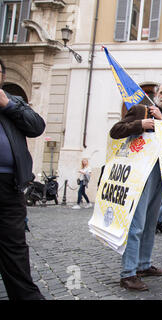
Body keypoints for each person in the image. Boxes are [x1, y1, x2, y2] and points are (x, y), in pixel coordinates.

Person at [109, 83, 162, 291]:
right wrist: (142, 123)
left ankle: (144, 265)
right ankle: (128, 273)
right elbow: (116, 131)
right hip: (140, 175)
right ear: (156, 95)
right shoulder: (140, 110)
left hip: (160, 175)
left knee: (149, 224)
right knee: (137, 224)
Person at [0, 58, 46, 300]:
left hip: (10, 186)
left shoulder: (13, 102)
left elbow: (37, 126)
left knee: (15, 247)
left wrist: (8, 105)